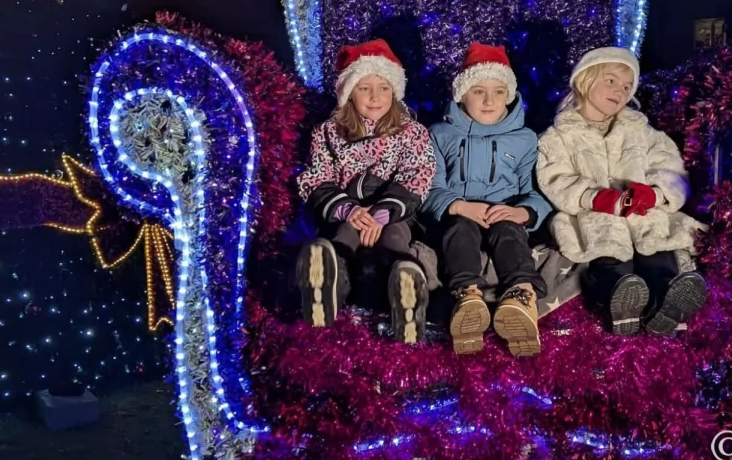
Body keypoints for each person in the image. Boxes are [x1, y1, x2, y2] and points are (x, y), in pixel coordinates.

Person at [536, 47, 706, 337]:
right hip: (594, 214)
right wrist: (595, 197)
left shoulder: (641, 131)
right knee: (608, 250)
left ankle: (667, 302)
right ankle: (619, 300)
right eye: (611, 81)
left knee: (657, 244)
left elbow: (671, 167)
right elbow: (555, 177)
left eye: (628, 86)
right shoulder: (558, 136)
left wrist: (654, 193)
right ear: (584, 80)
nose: (621, 91)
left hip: (642, 211)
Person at [295, 39, 436, 344]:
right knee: (344, 235)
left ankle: (405, 286)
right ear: (349, 92)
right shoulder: (328, 133)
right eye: (364, 88)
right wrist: (349, 209)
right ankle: (327, 286)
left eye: (384, 88)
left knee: (396, 236)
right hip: (349, 211)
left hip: (393, 213)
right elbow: (317, 177)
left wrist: (383, 213)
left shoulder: (412, 133)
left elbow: (419, 174)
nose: (375, 97)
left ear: (394, 92)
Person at [423, 43, 553, 357]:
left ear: (508, 95)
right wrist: (457, 205)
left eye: (497, 91)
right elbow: (428, 187)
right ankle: (468, 298)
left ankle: (520, 297)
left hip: (503, 213)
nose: (489, 100)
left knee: (508, 232)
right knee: (460, 229)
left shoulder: (525, 139)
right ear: (461, 95)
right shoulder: (439, 134)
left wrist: (523, 212)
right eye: (478, 91)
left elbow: (539, 192)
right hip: (461, 211)